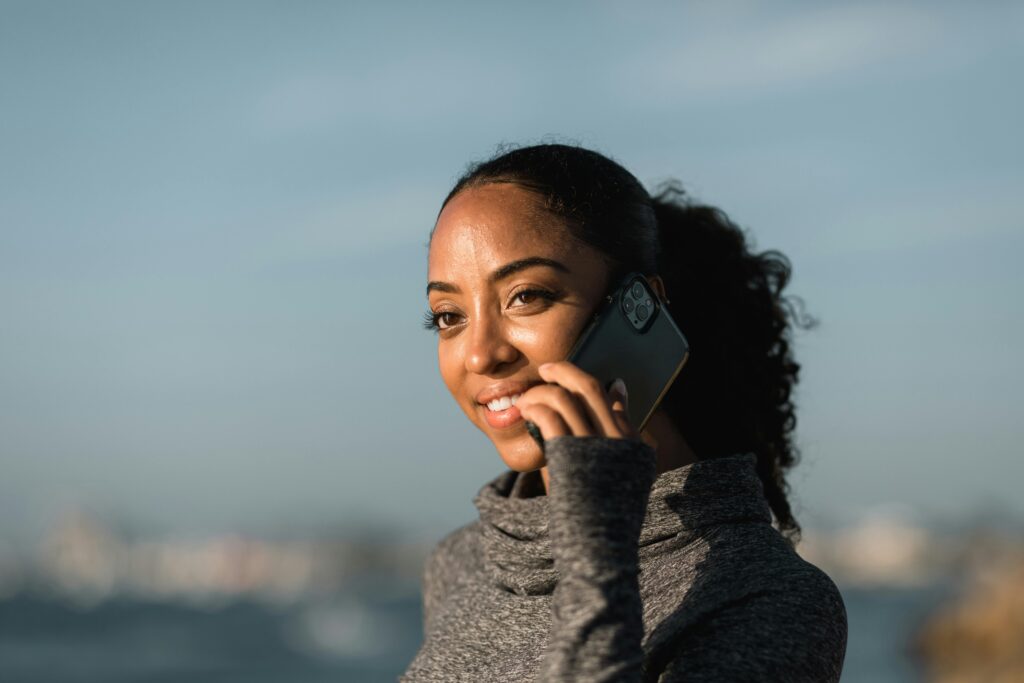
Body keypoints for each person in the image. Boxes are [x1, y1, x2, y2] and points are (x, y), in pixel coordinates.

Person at [401, 144, 847, 682]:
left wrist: (595, 540)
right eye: (448, 315)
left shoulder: (771, 596)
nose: (480, 353)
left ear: (640, 307)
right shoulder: (464, 562)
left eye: (526, 296)